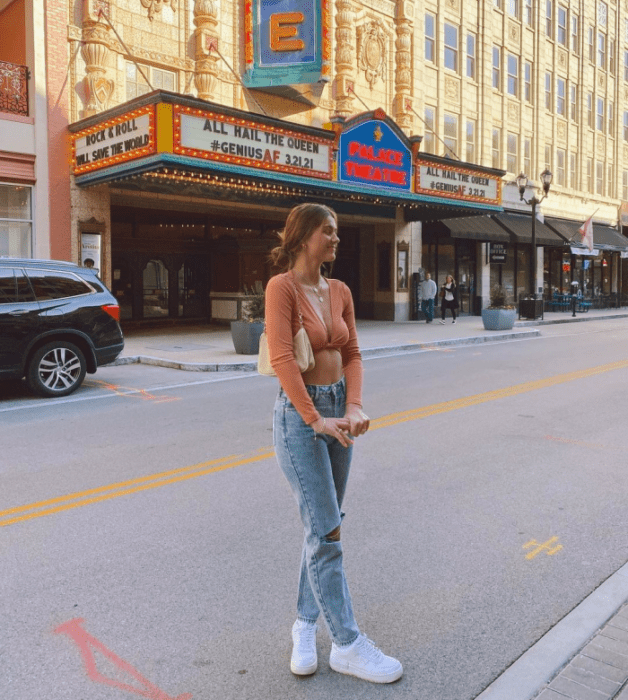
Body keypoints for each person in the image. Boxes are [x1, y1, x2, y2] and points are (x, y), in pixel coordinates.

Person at [265, 203, 403, 684]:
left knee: (325, 527)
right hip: (300, 417)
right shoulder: (281, 288)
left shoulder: (339, 290)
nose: (336, 238)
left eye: (338, 232)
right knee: (326, 531)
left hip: (339, 412)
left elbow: (353, 354)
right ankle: (347, 644)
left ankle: (305, 624)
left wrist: (354, 406)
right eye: (329, 231)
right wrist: (314, 418)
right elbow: (283, 359)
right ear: (304, 237)